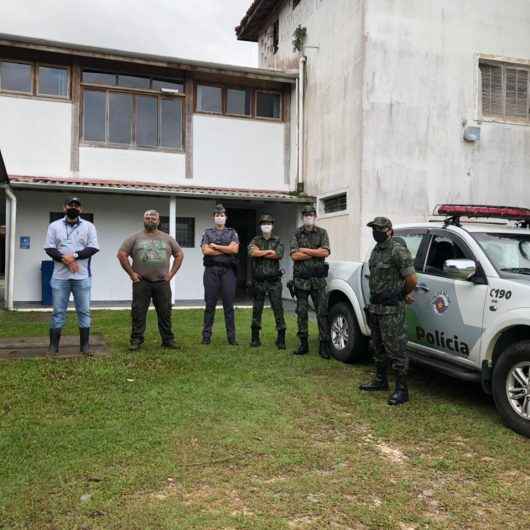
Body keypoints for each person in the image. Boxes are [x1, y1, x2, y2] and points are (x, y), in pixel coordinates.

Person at [359, 216, 417, 405]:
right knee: (378, 346)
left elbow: (412, 280)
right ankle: (380, 380)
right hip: (375, 306)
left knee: (396, 349)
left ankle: (402, 389)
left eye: (379, 229)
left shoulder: (397, 251)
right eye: (374, 229)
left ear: (389, 231)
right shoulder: (376, 251)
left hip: (392, 308)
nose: (376, 232)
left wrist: (403, 294)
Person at [117, 210, 184, 351]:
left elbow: (179, 254)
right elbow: (121, 254)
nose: (150, 220)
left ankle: (168, 340)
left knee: (165, 312)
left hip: (162, 282)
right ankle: (136, 340)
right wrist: (131, 274)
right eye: (147, 217)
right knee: (138, 312)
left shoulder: (167, 238)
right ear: (144, 220)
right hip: (141, 282)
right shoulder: (134, 238)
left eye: (153, 218)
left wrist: (171, 274)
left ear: (159, 220)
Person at [44, 197, 99, 354]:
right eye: (70, 205)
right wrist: (65, 260)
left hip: (82, 276)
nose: (73, 207)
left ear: (81, 209)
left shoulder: (89, 226)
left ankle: (85, 346)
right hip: (59, 277)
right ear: (64, 207)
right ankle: (53, 346)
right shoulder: (54, 226)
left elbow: (93, 248)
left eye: (76, 205)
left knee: (84, 311)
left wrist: (73, 256)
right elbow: (49, 248)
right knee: (58, 312)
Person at [289, 205, 331, 359]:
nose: (308, 217)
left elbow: (325, 252)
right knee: (301, 312)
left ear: (315, 216)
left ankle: (324, 345)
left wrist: (305, 250)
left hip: (318, 281)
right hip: (301, 280)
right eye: (306, 215)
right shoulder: (297, 233)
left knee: (322, 313)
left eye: (311, 215)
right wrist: (315, 252)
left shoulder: (322, 233)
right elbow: (294, 256)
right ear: (303, 217)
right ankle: (303, 344)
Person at [201, 204, 240, 345]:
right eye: (217, 215)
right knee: (209, 305)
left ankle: (231, 338)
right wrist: (226, 249)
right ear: (213, 217)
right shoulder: (207, 233)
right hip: (211, 271)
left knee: (229, 306)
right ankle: (206, 337)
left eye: (222, 215)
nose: (220, 217)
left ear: (226, 217)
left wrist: (216, 246)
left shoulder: (232, 232)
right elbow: (206, 251)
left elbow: (234, 249)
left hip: (228, 272)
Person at [248, 214, 286, 349]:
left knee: (278, 309)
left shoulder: (278, 240)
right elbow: (252, 253)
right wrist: (269, 251)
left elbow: (278, 254)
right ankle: (255, 338)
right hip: (259, 281)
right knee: (257, 310)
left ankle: (281, 339)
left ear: (272, 226)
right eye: (264, 223)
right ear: (260, 226)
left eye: (269, 223)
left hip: (274, 281)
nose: (266, 226)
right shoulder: (255, 239)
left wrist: (261, 251)